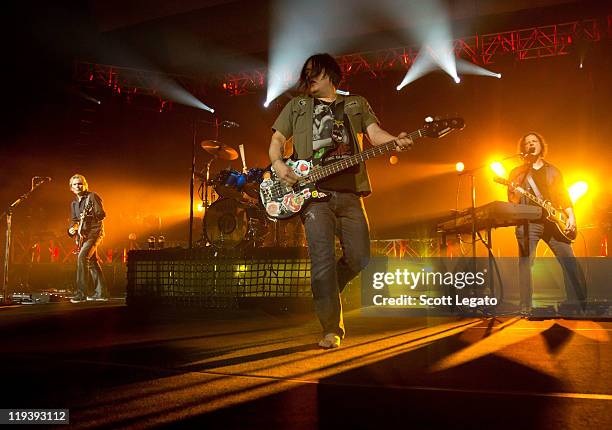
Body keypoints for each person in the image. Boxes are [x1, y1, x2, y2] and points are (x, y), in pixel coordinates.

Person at [268, 53, 412, 348]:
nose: (309, 77)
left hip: (349, 194)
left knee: (360, 257)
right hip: (313, 197)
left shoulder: (355, 103)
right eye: (305, 72)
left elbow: (374, 134)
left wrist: (394, 140)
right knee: (321, 263)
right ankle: (331, 329)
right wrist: (279, 164)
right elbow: (277, 140)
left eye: (315, 72)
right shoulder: (297, 106)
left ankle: (327, 288)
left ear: (331, 75)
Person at [507, 132, 586, 315]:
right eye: (527, 143)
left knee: (569, 261)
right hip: (529, 223)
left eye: (534, 141)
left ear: (541, 146)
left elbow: (563, 196)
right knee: (526, 264)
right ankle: (526, 307)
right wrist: (515, 191)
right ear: (523, 148)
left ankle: (578, 303)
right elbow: (512, 201)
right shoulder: (517, 173)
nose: (531, 144)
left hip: (554, 223)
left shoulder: (553, 170)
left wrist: (571, 217)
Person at [67, 174, 108, 302]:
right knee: (92, 263)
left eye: (80, 183)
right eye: (75, 184)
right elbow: (74, 220)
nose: (78, 186)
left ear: (85, 185)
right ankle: (101, 294)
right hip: (83, 236)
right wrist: (72, 229)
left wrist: (94, 214)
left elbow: (101, 214)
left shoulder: (92, 196)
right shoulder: (74, 203)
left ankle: (81, 293)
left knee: (82, 258)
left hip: (94, 234)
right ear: (71, 188)